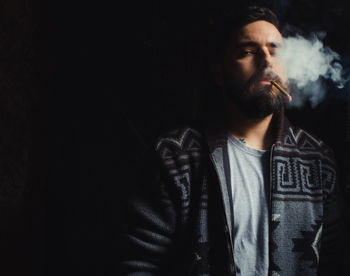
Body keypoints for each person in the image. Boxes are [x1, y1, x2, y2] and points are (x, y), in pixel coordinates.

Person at [121, 6, 344, 276]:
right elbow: (139, 264)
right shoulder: (175, 157)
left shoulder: (318, 161)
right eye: (248, 51)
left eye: (275, 50)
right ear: (218, 72)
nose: (266, 61)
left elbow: (336, 262)